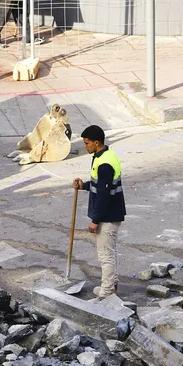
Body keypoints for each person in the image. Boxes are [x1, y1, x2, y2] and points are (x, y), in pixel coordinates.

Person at [73, 125, 126, 299]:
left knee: (105, 255)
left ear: (97, 142)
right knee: (110, 252)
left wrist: (95, 219)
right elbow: (99, 185)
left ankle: (107, 291)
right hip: (111, 213)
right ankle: (111, 285)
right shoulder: (102, 156)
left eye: (87, 143)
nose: (85, 146)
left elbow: (104, 195)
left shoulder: (104, 163)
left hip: (108, 215)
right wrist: (84, 186)